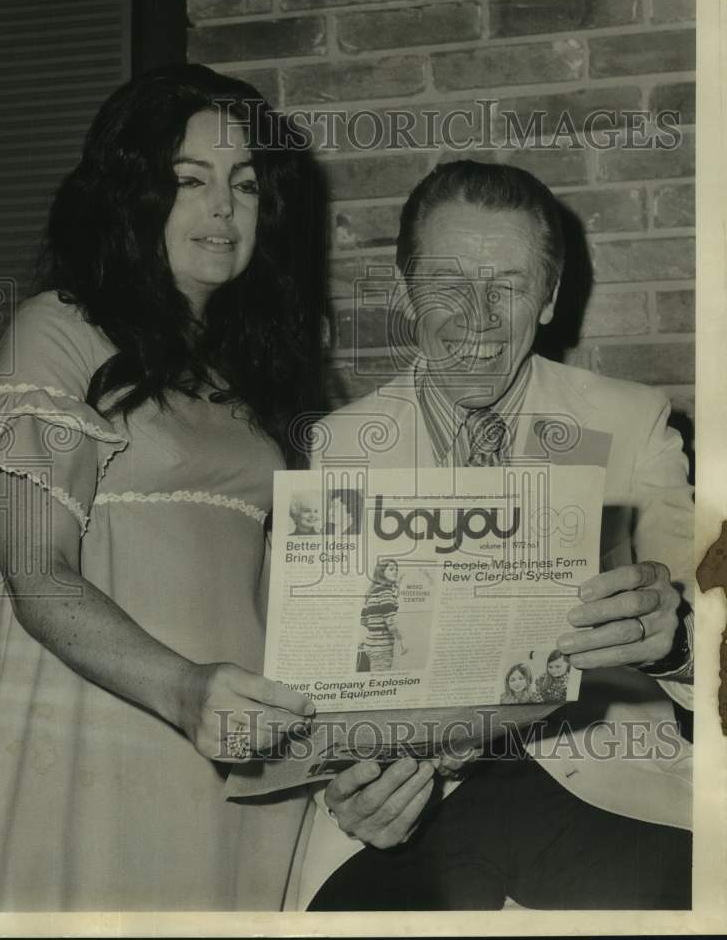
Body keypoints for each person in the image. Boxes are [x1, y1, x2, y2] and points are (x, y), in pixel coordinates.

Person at [0, 64, 322, 911]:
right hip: (110, 723)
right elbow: (38, 574)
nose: (223, 210)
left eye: (246, 185)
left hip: (244, 741)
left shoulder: (254, 373)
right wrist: (184, 689)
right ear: (131, 194)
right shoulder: (62, 326)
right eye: (188, 181)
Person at [296, 160, 694, 911]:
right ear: (406, 288)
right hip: (423, 812)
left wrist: (673, 640)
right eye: (447, 282)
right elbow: (325, 691)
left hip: (610, 794)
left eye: (507, 286)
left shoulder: (632, 422)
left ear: (547, 298)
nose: (474, 320)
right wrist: (353, 786)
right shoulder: (340, 448)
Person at [360, 558, 407, 671]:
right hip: (382, 647)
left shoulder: (372, 591)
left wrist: (376, 629)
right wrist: (402, 642)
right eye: (391, 569)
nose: (395, 571)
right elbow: (391, 620)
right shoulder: (386, 592)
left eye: (396, 569)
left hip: (370, 645)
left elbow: (363, 620)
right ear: (381, 572)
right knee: (380, 680)